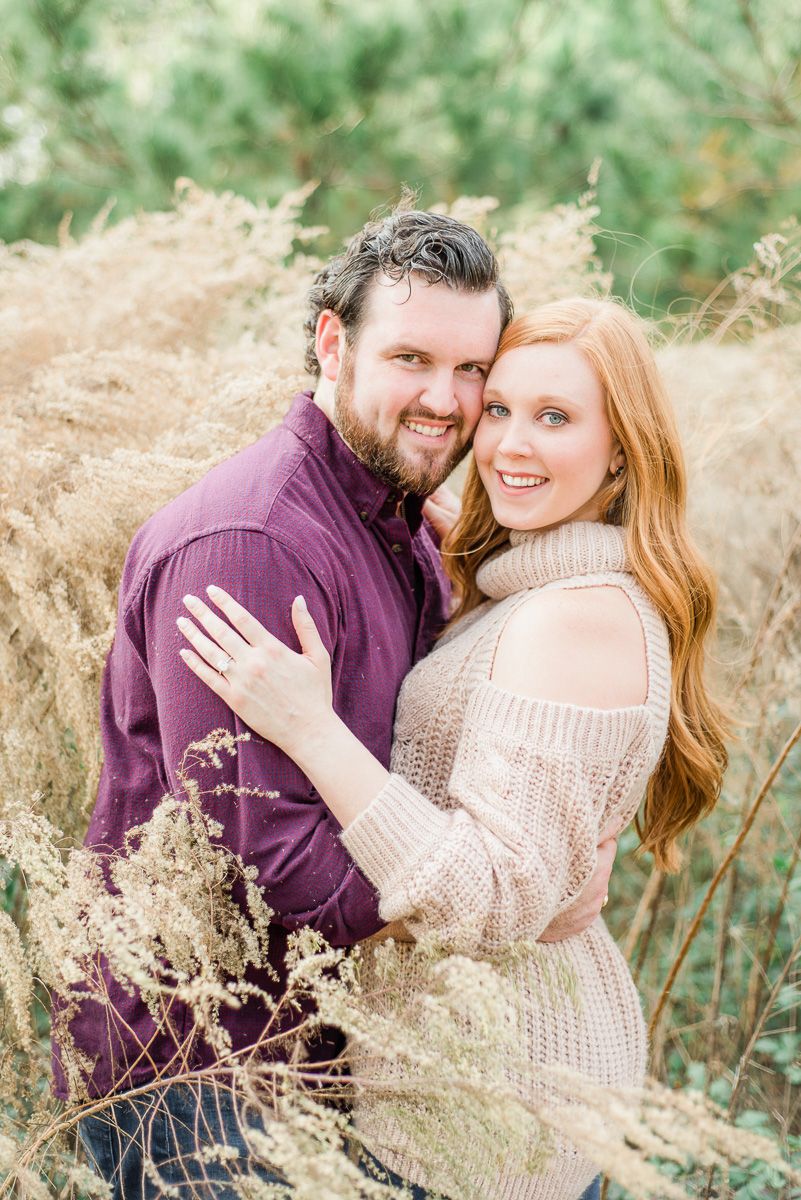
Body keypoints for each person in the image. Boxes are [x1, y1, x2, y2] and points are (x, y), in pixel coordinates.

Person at [60, 210, 614, 1199]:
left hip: (318, 1060)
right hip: (203, 1077)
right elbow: (277, 873)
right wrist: (496, 900)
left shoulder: (402, 521)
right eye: (411, 357)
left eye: (471, 368)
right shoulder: (254, 546)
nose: (444, 399)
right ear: (332, 340)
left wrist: (552, 845)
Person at [177, 297, 729, 1198]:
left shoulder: (574, 617)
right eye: (500, 407)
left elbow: (489, 901)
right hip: (473, 1092)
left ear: (622, 449)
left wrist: (313, 732)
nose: (509, 444)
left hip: (489, 1120)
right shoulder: (542, 588)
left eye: (555, 419)